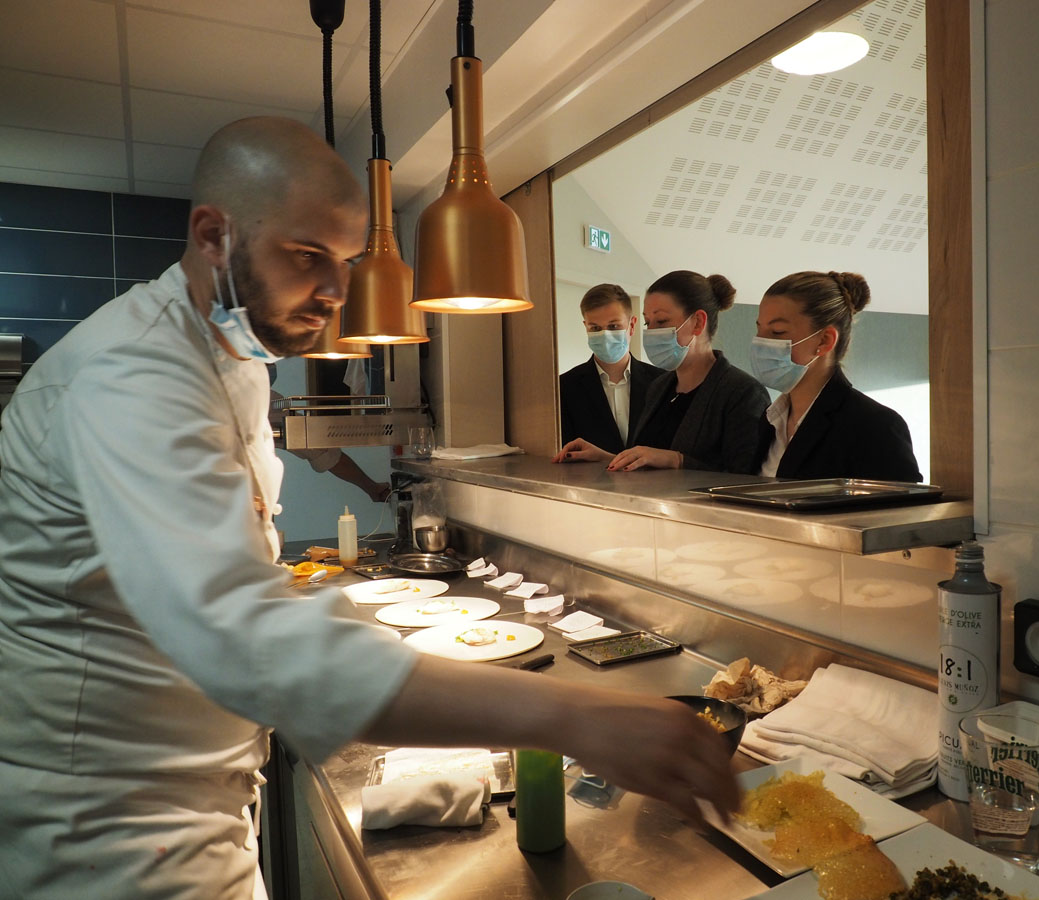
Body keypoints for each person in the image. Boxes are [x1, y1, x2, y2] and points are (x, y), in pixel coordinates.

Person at [0, 117, 738, 899]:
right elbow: (243, 637)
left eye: (347, 263)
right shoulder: (133, 375)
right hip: (105, 828)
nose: (335, 293)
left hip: (193, 796)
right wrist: (577, 717)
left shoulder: (227, 358)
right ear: (212, 234)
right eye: (306, 255)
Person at [554, 271, 768, 472]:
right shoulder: (660, 388)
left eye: (662, 321)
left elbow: (744, 479)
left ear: (698, 322)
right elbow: (650, 464)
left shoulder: (742, 393)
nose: (652, 333)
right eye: (649, 323)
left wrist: (677, 460)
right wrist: (608, 459)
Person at [749, 271, 921, 481]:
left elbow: (900, 512)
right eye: (759, 331)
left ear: (825, 340)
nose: (761, 343)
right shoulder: (769, 421)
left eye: (777, 332)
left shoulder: (875, 426)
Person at [558, 283, 664, 454]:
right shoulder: (563, 387)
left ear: (632, 325)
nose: (605, 335)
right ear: (586, 327)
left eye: (614, 326)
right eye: (595, 328)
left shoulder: (662, 383)